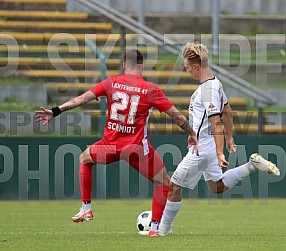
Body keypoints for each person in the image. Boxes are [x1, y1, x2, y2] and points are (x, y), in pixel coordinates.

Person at [35, 49, 198, 237]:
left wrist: (55, 111)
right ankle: (154, 230)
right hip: (137, 149)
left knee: (85, 158)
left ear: (123, 65)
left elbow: (81, 99)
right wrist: (192, 132)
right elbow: (176, 116)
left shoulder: (111, 83)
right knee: (164, 183)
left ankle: (86, 208)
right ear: (142, 66)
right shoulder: (150, 89)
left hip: (110, 146)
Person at [158, 42, 280, 236]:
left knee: (174, 186)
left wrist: (219, 151)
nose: (187, 70)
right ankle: (251, 165)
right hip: (206, 145)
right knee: (217, 186)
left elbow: (217, 123)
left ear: (196, 67)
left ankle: (162, 231)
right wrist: (229, 138)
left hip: (205, 148)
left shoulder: (207, 90)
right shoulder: (216, 83)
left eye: (188, 67)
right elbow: (228, 112)